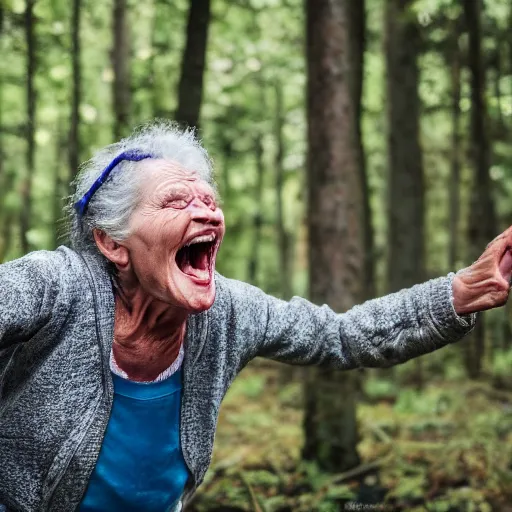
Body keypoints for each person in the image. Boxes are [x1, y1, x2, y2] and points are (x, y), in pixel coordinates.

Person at [1, 121, 511, 512]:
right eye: (177, 201)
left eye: (209, 200)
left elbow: (342, 336)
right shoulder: (58, 286)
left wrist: (460, 293)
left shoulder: (230, 310)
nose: (206, 212)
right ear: (112, 243)